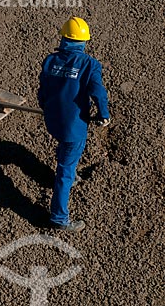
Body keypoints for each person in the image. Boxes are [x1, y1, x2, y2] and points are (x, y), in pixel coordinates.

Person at [38, 17, 110, 232]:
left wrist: (46, 107)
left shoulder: (50, 60)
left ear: (63, 37)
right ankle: (59, 217)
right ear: (83, 41)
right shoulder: (89, 64)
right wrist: (104, 114)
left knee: (64, 148)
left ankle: (71, 174)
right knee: (65, 170)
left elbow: (42, 90)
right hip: (74, 126)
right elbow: (98, 92)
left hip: (53, 121)